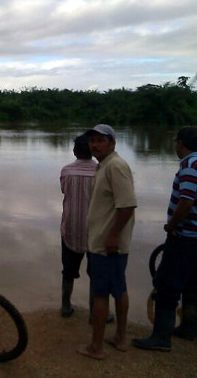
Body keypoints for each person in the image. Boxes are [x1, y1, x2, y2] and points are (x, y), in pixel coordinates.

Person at [133, 126, 197, 351]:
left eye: (175, 143)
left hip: (183, 236)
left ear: (181, 143)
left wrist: (171, 225)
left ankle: (161, 338)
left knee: (166, 284)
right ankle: (189, 328)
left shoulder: (189, 166)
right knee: (192, 283)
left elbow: (186, 201)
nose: (175, 147)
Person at [77, 124, 137, 360]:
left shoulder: (116, 166)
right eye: (92, 141)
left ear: (112, 143)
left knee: (101, 293)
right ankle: (120, 338)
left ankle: (96, 347)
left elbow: (127, 205)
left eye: (101, 140)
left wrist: (112, 235)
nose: (95, 145)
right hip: (108, 241)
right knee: (119, 289)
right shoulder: (106, 165)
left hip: (107, 244)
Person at [59, 134, 96, 317]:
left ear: (74, 151)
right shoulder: (101, 171)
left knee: (68, 271)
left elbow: (64, 190)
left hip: (70, 229)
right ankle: (94, 312)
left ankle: (66, 305)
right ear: (92, 151)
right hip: (95, 231)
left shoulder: (66, 171)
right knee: (96, 274)